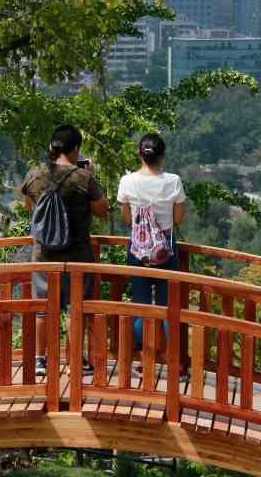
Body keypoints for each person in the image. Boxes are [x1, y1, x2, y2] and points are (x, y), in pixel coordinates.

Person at [22, 124, 109, 376]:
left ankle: (40, 361)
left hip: (44, 254)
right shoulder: (83, 178)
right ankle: (75, 361)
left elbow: (29, 207)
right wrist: (89, 174)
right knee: (74, 308)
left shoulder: (35, 174)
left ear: (52, 147)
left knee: (43, 307)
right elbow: (102, 210)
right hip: (77, 255)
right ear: (76, 149)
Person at [117, 133, 185, 347]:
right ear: (162, 156)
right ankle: (171, 356)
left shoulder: (127, 181)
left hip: (138, 246)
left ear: (140, 154)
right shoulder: (173, 181)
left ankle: (142, 354)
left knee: (140, 304)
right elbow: (178, 219)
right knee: (168, 306)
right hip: (166, 246)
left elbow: (127, 219)